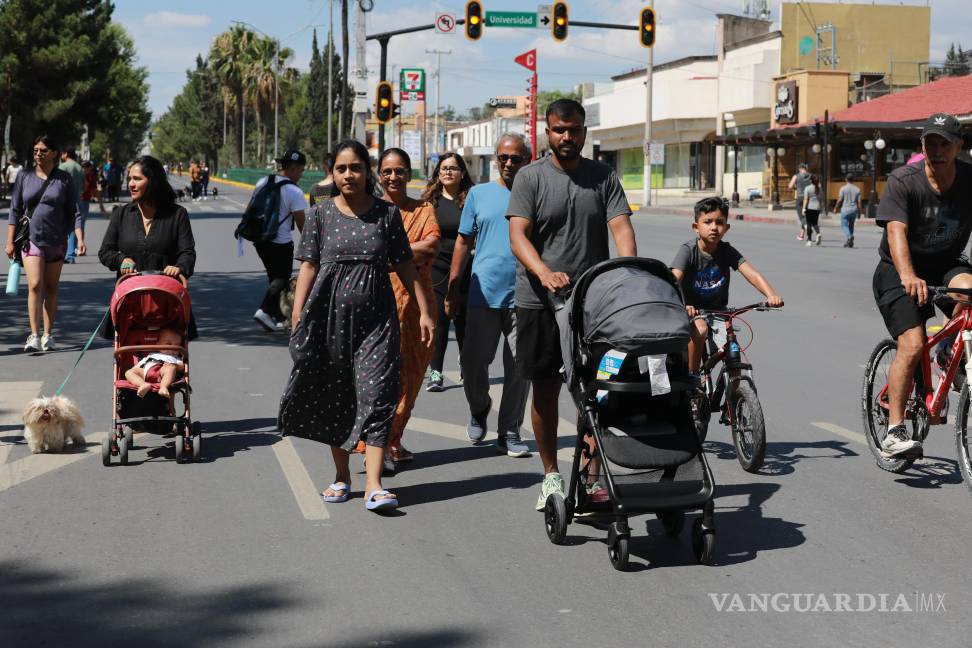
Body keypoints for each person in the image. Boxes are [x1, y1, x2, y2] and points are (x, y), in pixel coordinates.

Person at [279, 140, 435, 513]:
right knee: (338, 395)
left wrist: (425, 311)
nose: (349, 175)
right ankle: (341, 476)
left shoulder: (386, 214)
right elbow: (309, 266)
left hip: (378, 321)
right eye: (341, 169)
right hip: (329, 319)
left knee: (379, 395)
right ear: (331, 173)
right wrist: (298, 313)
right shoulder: (319, 215)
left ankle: (375, 485)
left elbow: (405, 264)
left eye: (356, 168)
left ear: (367, 172)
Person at [507, 98, 637, 510]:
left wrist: (628, 274)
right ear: (548, 132)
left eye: (574, 129)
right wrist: (544, 273)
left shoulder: (603, 176)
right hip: (538, 302)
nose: (567, 136)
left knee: (598, 392)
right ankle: (550, 475)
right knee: (545, 391)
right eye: (559, 130)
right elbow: (518, 236)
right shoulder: (530, 177)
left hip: (592, 304)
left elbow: (621, 228)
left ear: (584, 131)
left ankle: (592, 475)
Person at [873, 113, 972, 458]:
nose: (937, 150)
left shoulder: (969, 179)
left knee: (969, 292)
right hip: (898, 270)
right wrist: (908, 275)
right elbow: (896, 231)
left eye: (945, 143)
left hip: (946, 264)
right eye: (931, 143)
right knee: (913, 344)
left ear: (959, 146)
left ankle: (948, 350)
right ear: (922, 146)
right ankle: (894, 431)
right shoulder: (905, 181)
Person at [447, 133, 532, 457]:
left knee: (520, 367)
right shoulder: (479, 194)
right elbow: (463, 242)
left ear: (527, 160)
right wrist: (454, 286)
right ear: (496, 159)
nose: (509, 163)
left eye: (516, 158)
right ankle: (479, 407)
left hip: (524, 297)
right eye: (503, 157)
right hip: (482, 293)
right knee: (473, 363)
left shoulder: (535, 192)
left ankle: (509, 431)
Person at [375, 148, 440, 466]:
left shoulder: (423, 210)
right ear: (378, 175)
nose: (393, 177)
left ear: (408, 174)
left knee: (411, 377)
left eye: (399, 171)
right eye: (387, 171)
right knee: (379, 377)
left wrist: (383, 256)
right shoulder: (369, 212)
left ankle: (391, 439)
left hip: (417, 307)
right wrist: (403, 256)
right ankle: (378, 443)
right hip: (376, 305)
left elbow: (430, 246)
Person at [670, 197, 784, 374]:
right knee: (700, 329)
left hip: (719, 313)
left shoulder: (726, 250)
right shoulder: (688, 251)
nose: (714, 227)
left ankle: (735, 386)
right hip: (693, 312)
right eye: (707, 222)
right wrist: (682, 305)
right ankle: (693, 378)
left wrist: (771, 295)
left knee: (733, 353)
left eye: (719, 222)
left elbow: (752, 274)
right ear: (696, 227)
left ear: (727, 228)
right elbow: (674, 279)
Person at [98, 155, 197, 338]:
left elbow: (187, 253)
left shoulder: (177, 214)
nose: (131, 184)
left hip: (168, 304)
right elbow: (105, 252)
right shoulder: (121, 214)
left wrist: (179, 268)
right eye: (129, 179)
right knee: (129, 355)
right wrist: (121, 260)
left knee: (167, 356)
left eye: (137, 179)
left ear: (153, 182)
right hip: (130, 306)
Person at [4, 135, 85, 352]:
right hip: (31, 239)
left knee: (51, 287)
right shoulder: (25, 176)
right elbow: (15, 209)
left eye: (43, 150)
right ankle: (33, 335)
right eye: (36, 150)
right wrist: (9, 241)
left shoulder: (64, 179)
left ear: (55, 153)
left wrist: (79, 238)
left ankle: (48, 334)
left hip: (57, 240)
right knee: (34, 284)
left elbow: (74, 211)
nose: (38, 154)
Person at [421, 152, 474, 392]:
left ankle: (466, 366)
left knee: (464, 321)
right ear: (438, 172)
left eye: (453, 168)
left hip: (466, 268)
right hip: (437, 268)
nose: (448, 172)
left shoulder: (471, 199)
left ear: (462, 173)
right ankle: (436, 372)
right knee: (439, 321)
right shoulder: (430, 201)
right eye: (444, 168)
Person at [248, 150, 309, 332]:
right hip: (281, 242)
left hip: (260, 239)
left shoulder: (263, 181)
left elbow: (252, 208)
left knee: (273, 278)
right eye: (300, 170)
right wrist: (310, 245)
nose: (301, 174)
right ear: (293, 168)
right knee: (282, 278)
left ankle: (277, 316)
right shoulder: (294, 190)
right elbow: (301, 223)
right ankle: (264, 310)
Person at [125, 327, 185, 399]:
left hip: (161, 373)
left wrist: (175, 366)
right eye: (168, 344)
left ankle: (163, 387)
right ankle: (143, 384)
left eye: (176, 346)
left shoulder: (176, 358)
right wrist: (135, 369)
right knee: (129, 372)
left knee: (171, 368)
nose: (173, 348)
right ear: (158, 344)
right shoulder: (152, 354)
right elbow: (140, 364)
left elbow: (182, 366)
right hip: (146, 372)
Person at [59, 149, 85, 264]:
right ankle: (70, 255)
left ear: (66, 154)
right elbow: (84, 185)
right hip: (77, 199)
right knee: (74, 226)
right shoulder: (79, 168)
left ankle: (62, 253)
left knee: (61, 227)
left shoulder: (63, 166)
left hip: (64, 199)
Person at [835, 174, 862, 248]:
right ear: (853, 180)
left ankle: (849, 236)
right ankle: (849, 241)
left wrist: (836, 208)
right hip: (853, 210)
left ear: (846, 179)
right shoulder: (857, 189)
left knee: (844, 225)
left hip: (845, 210)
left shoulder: (843, 188)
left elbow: (840, 200)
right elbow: (859, 202)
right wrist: (859, 212)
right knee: (851, 226)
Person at [788, 163, 811, 241]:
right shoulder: (811, 176)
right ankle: (802, 235)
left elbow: (790, 186)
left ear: (799, 169)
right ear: (806, 168)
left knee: (802, 217)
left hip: (800, 198)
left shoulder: (796, 176)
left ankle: (808, 229)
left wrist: (795, 187)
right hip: (809, 198)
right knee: (806, 217)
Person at [802, 174, 822, 246]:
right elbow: (820, 198)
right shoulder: (820, 188)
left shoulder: (807, 188)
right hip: (817, 208)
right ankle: (818, 233)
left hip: (809, 207)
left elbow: (806, 199)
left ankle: (809, 240)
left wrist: (803, 208)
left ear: (811, 181)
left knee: (809, 224)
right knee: (815, 223)